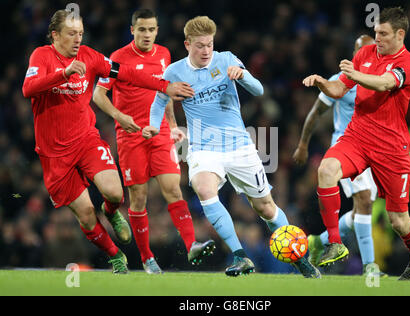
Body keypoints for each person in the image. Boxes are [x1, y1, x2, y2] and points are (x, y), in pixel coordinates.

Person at [143, 16, 320, 278]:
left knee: (266, 208)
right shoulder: (174, 72)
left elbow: (259, 90)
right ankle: (240, 256)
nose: (206, 51)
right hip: (203, 147)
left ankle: (300, 259)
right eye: (200, 46)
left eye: (210, 45)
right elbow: (159, 101)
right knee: (204, 188)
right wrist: (156, 126)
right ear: (187, 44)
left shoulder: (226, 59)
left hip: (239, 146)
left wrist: (243, 76)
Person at [22, 8, 194, 273]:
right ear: (55, 35)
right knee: (87, 215)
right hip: (54, 153)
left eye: (80, 33)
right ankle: (115, 256)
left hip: (86, 141)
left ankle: (112, 211)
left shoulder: (89, 56)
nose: (78, 39)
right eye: (71, 34)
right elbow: (28, 88)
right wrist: (64, 73)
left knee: (115, 193)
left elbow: (126, 73)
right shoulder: (42, 56)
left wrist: (163, 86)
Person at [302, 7, 410, 280]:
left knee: (399, 221)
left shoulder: (409, 62)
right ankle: (335, 243)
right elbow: (339, 89)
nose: (378, 39)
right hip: (358, 137)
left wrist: (355, 74)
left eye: (383, 34)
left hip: (391, 147)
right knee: (325, 171)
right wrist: (323, 83)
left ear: (400, 34)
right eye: (375, 33)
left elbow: (384, 84)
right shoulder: (364, 55)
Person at [93, 9, 215, 274]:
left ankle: (192, 243)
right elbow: (99, 95)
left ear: (157, 31)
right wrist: (118, 116)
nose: (147, 34)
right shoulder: (117, 58)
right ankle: (147, 259)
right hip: (130, 135)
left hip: (159, 132)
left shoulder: (164, 55)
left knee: (173, 189)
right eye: (142, 30)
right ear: (132, 30)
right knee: (138, 198)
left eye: (151, 30)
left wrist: (172, 126)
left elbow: (165, 92)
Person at [293, 35, 387, 277]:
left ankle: (317, 242)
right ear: (356, 54)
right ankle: (370, 269)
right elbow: (315, 113)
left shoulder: (381, 82)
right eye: (362, 52)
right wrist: (303, 144)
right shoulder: (341, 82)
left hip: (373, 150)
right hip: (347, 149)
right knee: (364, 201)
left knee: (360, 212)